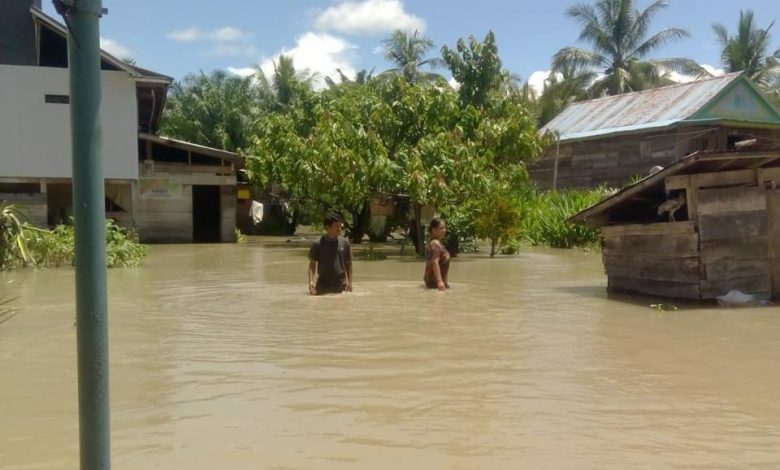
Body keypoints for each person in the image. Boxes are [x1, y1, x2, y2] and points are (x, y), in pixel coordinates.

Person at [308, 213, 353, 295]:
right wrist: (311, 283)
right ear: (327, 227)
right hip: (322, 284)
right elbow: (312, 265)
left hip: (340, 284)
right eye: (336, 226)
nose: (339, 229)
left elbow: (348, 264)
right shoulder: (317, 244)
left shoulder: (345, 242)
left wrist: (350, 283)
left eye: (340, 226)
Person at [423, 217, 451, 290]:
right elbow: (435, 262)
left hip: (432, 279)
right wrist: (439, 282)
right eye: (441, 228)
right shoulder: (436, 243)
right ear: (434, 230)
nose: (444, 230)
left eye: (444, 228)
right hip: (434, 280)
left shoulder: (432, 242)